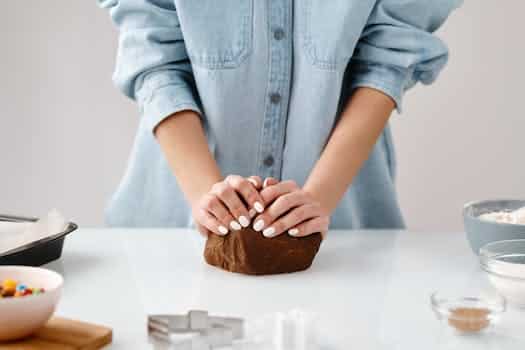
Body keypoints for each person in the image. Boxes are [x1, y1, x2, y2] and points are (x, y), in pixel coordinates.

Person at [99, 0, 460, 238]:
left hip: (345, 235)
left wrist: (317, 202)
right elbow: (154, 56)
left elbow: (389, 62)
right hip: (168, 232)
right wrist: (206, 199)